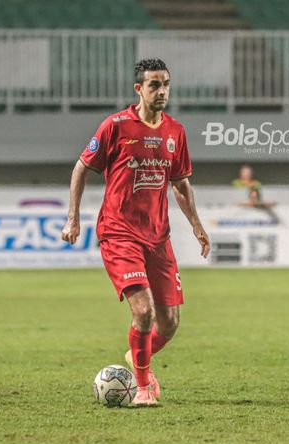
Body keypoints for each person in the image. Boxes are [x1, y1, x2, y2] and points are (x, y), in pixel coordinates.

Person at [61, 58, 210, 407]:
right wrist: (73, 218)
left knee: (170, 322)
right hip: (119, 232)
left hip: (158, 237)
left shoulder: (175, 131)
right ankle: (142, 387)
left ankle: (136, 356)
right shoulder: (115, 127)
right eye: (154, 85)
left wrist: (197, 224)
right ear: (139, 89)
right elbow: (82, 167)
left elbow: (181, 183)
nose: (162, 91)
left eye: (166, 84)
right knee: (143, 312)